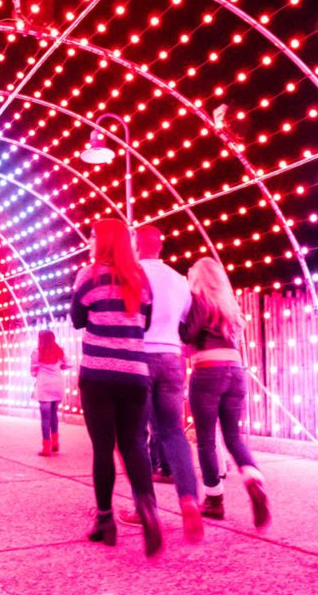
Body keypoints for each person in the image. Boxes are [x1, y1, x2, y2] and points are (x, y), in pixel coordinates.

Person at [71, 218, 161, 558]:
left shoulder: (88, 276)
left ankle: (105, 521)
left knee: (103, 448)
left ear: (103, 241)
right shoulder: (141, 280)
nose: (90, 241)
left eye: (92, 236)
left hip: (98, 375)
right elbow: (147, 322)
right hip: (135, 374)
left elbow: (77, 319)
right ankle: (148, 508)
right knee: (134, 445)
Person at [118, 225, 203, 542]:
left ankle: (145, 507)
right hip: (171, 360)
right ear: (162, 246)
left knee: (134, 437)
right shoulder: (179, 279)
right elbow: (184, 322)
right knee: (172, 432)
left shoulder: (130, 274)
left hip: (138, 357)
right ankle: (189, 500)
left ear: (135, 246)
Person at [182, 257, 271, 530]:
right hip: (235, 370)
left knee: (207, 439)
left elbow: (187, 335)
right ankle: (252, 478)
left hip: (208, 369)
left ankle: (214, 500)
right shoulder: (231, 308)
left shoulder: (198, 301)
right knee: (232, 435)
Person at [30, 329, 70, 457]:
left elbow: (32, 370)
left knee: (45, 418)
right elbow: (69, 364)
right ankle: (55, 444)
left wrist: (38, 372)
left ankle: (46, 448)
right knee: (54, 415)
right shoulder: (59, 351)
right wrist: (60, 367)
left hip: (44, 386)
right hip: (57, 385)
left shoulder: (37, 352)